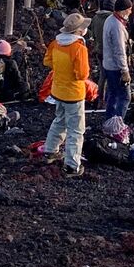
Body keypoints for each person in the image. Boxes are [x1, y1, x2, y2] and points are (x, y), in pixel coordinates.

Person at [43, 12, 90, 175]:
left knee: (59, 120)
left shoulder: (55, 43)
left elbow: (47, 61)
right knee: (76, 130)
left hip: (58, 90)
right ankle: (72, 165)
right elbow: (82, 75)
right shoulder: (78, 48)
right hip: (74, 94)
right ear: (78, 31)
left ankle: (49, 151)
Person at [101, 0, 132, 123]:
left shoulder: (110, 19)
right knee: (125, 97)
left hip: (108, 64)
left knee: (112, 94)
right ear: (123, 10)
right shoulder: (117, 27)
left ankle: (109, 121)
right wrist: (125, 70)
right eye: (129, 9)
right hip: (116, 67)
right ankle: (117, 124)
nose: (130, 12)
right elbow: (119, 50)